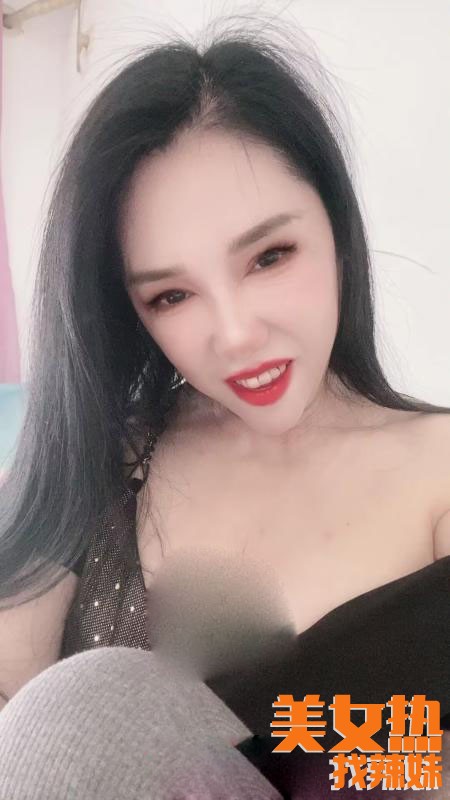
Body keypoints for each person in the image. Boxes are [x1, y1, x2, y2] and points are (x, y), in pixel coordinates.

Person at [0, 15, 449, 799]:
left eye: (270, 256)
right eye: (171, 296)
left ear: (336, 229)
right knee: (88, 705)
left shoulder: (436, 473)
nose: (236, 335)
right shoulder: (101, 463)